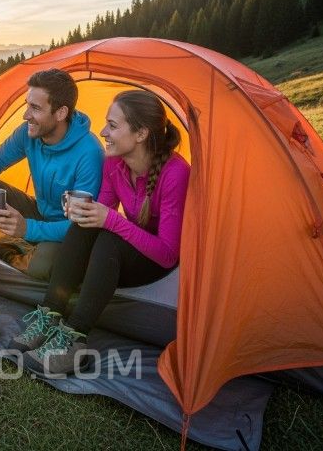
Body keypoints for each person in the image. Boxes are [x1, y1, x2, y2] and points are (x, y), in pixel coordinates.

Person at [12, 89, 191, 375]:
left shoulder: (176, 173)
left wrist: (110, 220)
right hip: (123, 255)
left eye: (113, 125)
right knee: (86, 224)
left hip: (157, 265)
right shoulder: (113, 162)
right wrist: (79, 211)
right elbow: (101, 215)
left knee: (109, 237)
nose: (103, 131)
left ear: (141, 134)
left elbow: (168, 254)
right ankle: (50, 314)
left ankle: (75, 338)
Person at [0, 68, 104, 280]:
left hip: (67, 230)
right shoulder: (28, 132)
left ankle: (11, 255)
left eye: (35, 108)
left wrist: (27, 229)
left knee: (41, 268)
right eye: (27, 105)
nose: (26, 115)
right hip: (38, 211)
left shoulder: (89, 153)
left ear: (61, 113)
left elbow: (81, 225)